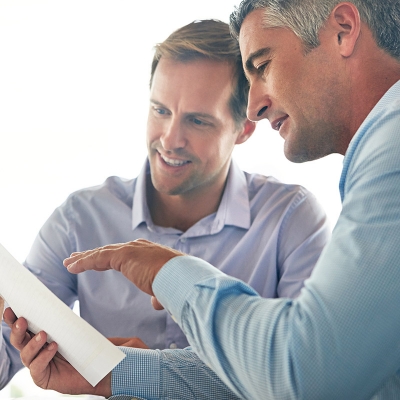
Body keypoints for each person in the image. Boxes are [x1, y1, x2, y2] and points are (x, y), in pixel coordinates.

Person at [0, 18, 330, 395]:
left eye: (198, 120)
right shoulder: (80, 219)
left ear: (244, 129)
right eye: (160, 110)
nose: (170, 139)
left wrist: (140, 373)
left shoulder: (292, 221)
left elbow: (308, 378)